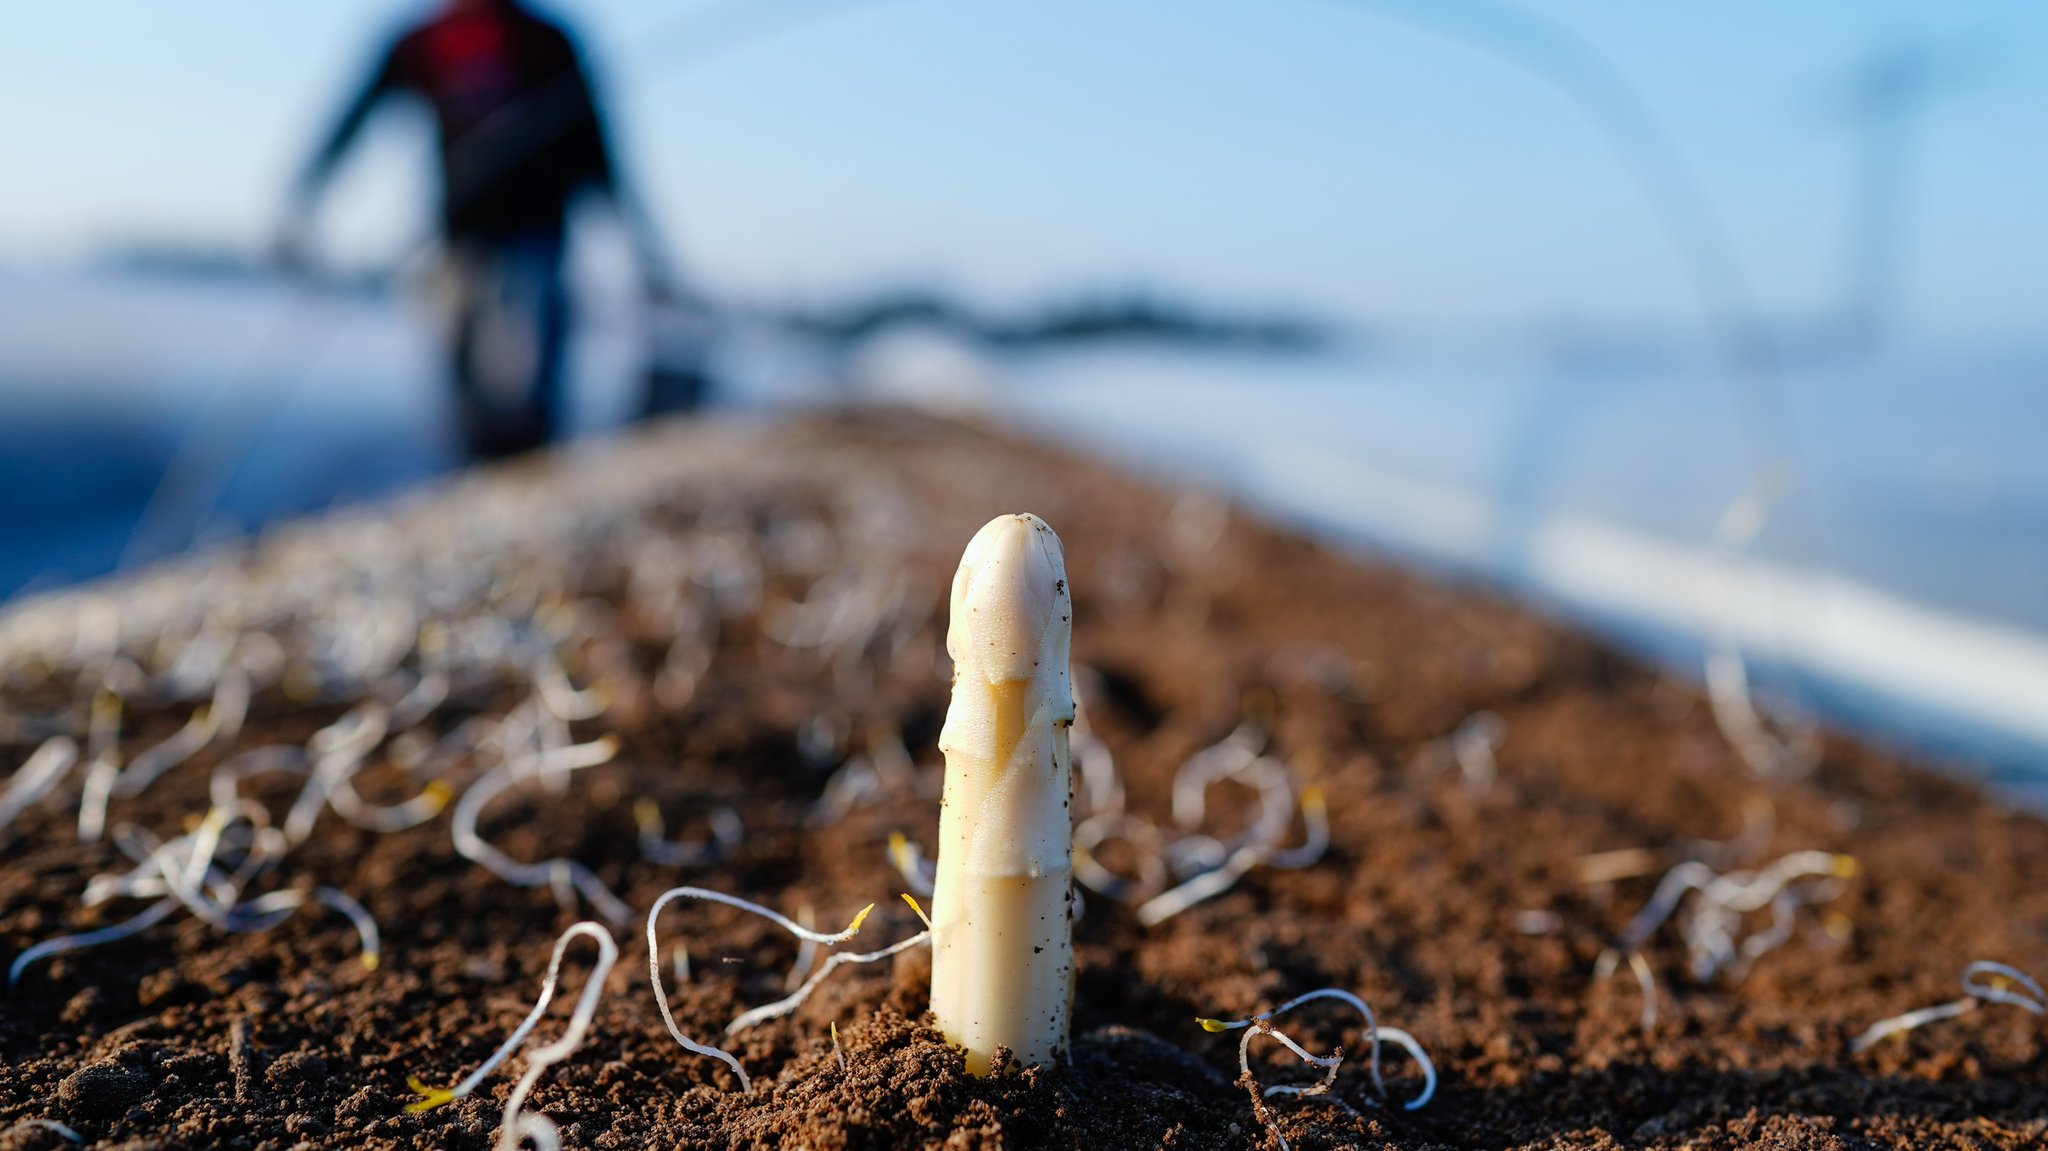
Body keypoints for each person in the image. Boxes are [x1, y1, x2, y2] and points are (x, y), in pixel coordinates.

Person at [280, 0, 675, 460]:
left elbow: (597, 148)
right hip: (456, 238)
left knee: (528, 384)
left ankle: (534, 474)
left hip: (536, 236)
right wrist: (307, 194)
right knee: (463, 393)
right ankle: (473, 479)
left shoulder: (548, 41)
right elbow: (355, 116)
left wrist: (638, 244)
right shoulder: (422, 41)